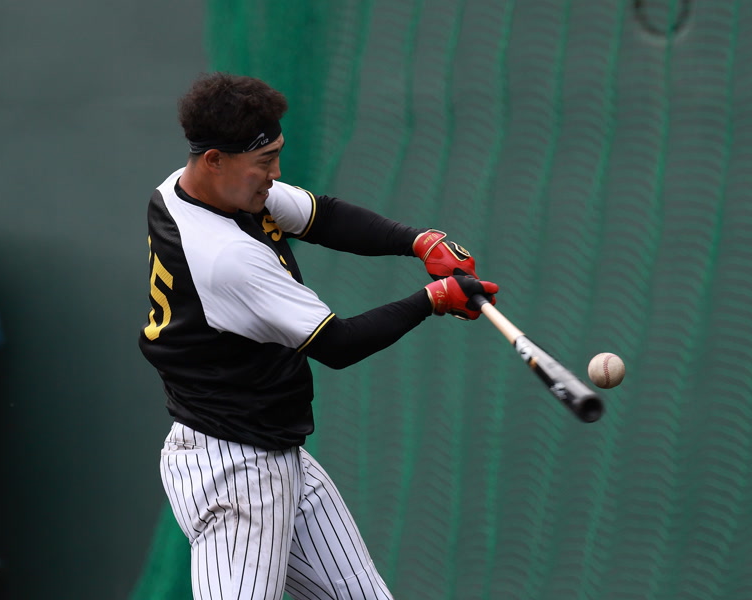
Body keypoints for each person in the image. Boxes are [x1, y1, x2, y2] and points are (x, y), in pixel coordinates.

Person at [138, 72, 499, 600]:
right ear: (214, 159)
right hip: (236, 474)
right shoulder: (225, 257)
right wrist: (433, 299)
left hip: (271, 451)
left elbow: (320, 216)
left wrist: (418, 242)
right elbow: (338, 344)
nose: (276, 174)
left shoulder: (186, 188)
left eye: (276, 155)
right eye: (265, 161)